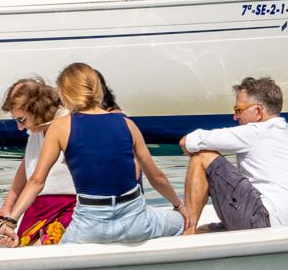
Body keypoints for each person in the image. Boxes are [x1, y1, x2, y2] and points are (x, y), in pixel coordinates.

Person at [9, 62, 182, 245]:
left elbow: (36, 181)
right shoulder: (126, 123)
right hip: (134, 220)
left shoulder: (60, 127)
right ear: (98, 88)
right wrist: (179, 205)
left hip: (89, 226)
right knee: (180, 223)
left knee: (52, 249)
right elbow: (157, 177)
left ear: (64, 94)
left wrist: (11, 219)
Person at [178, 75, 288, 233]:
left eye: (239, 110)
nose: (235, 117)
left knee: (202, 156)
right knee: (205, 231)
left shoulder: (255, 132)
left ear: (258, 111)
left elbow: (186, 141)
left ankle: (187, 234)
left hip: (262, 221)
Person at [0, 76, 76, 247]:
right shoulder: (37, 128)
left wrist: (11, 220)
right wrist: (7, 208)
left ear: (38, 109)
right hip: (38, 205)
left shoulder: (68, 123)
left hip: (71, 204)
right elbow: (26, 166)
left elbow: (37, 180)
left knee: (42, 244)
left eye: (22, 120)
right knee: (17, 244)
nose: (20, 128)